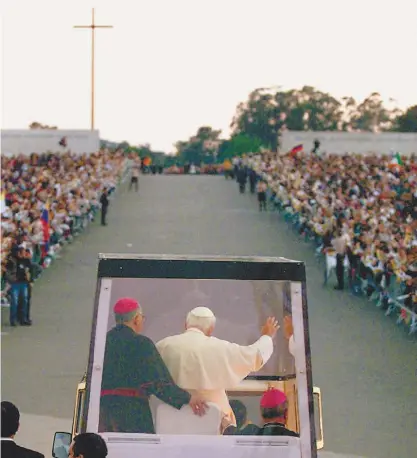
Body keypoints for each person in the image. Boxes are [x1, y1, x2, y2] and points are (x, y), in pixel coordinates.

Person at [156, 307, 279, 429]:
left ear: (185, 325)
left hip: (171, 422)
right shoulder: (219, 348)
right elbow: (253, 356)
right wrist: (267, 337)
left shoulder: (163, 346)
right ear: (210, 329)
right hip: (210, 422)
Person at [99, 298, 207, 434]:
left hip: (103, 413)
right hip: (132, 413)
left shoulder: (102, 343)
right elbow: (157, 382)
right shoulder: (141, 343)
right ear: (136, 319)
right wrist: (187, 398)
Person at [5, 246, 31, 326]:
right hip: (15, 283)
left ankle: (23, 319)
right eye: (22, 252)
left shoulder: (26, 260)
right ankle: (13, 319)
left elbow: (30, 269)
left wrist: (29, 279)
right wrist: (13, 279)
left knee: (24, 300)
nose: (24, 254)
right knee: (15, 301)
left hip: (24, 283)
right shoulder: (12, 261)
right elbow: (7, 273)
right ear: (18, 253)